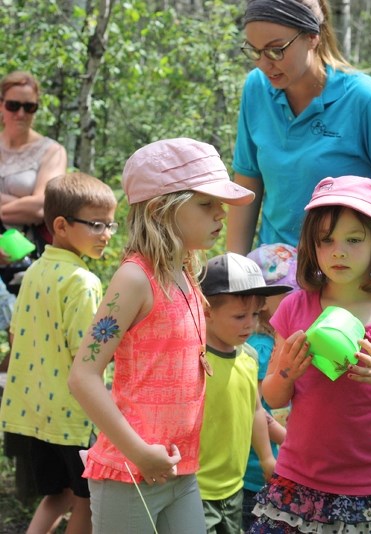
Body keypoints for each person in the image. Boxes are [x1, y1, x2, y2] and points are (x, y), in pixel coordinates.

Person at [67, 138, 255, 533]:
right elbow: (83, 376)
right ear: (160, 209)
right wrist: (138, 452)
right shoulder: (135, 278)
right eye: (206, 204)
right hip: (130, 473)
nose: (221, 214)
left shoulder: (186, 272)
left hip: (181, 468)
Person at [249, 175, 371, 532]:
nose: (339, 251)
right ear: (311, 245)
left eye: (353, 239)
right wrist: (286, 371)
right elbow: (272, 396)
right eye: (326, 240)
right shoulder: (295, 308)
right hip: (298, 483)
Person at [226, 0, 371, 254]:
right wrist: (235, 271)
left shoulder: (364, 98)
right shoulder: (257, 87)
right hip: (275, 269)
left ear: (312, 37)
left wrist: (337, 237)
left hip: (344, 272)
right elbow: (248, 179)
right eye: (254, 51)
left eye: (276, 50)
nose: (264, 64)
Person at [0, 172, 117, 534]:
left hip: (33, 412)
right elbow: (88, 353)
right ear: (62, 225)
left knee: (58, 495)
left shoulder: (34, 270)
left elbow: (17, 335)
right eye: (96, 225)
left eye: (111, 225)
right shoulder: (83, 281)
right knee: (88, 502)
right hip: (74, 417)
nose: (107, 234)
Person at [198, 252, 292, 534]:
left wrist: (266, 458)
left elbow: (255, 411)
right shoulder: (193, 357)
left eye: (255, 314)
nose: (250, 323)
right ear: (206, 310)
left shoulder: (249, 356)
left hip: (235, 486)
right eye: (239, 316)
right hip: (195, 487)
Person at [241, 243, 297, 531]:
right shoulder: (261, 348)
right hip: (260, 471)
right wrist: (293, 443)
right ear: (262, 301)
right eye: (287, 293)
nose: (296, 299)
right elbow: (257, 410)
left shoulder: (274, 341)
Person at [0, 70, 68, 293]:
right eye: (13, 105)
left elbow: (41, 207)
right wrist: (22, 201)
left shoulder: (51, 151)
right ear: (1, 105)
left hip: (26, 257)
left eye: (29, 107)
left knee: (21, 326)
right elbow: (32, 203)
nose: (21, 113)